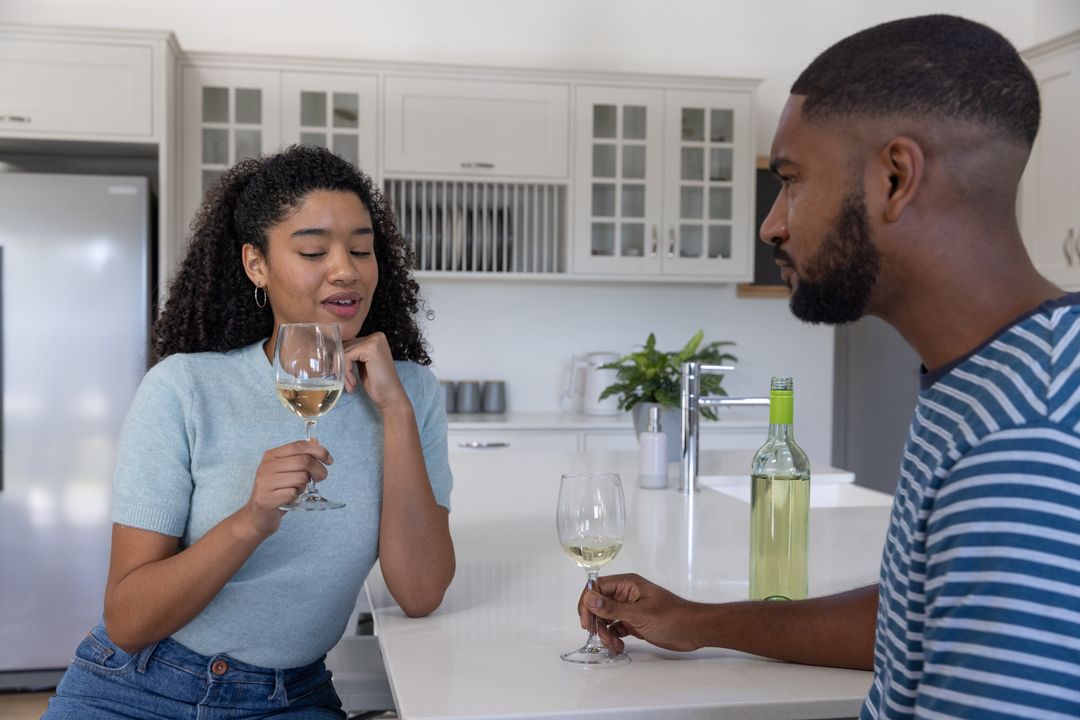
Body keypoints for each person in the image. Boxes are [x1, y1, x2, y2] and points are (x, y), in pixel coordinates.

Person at [579, 14, 1080, 719]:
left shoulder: (1021, 450)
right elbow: (925, 615)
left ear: (895, 177)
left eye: (791, 180)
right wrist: (697, 621)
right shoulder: (1001, 377)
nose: (772, 224)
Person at [45, 145, 455, 719]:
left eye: (362, 249)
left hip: (288, 698)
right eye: (314, 249)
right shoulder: (183, 388)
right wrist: (250, 522)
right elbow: (129, 620)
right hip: (139, 689)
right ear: (256, 264)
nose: (346, 269)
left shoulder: (411, 393)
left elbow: (420, 593)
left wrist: (397, 412)